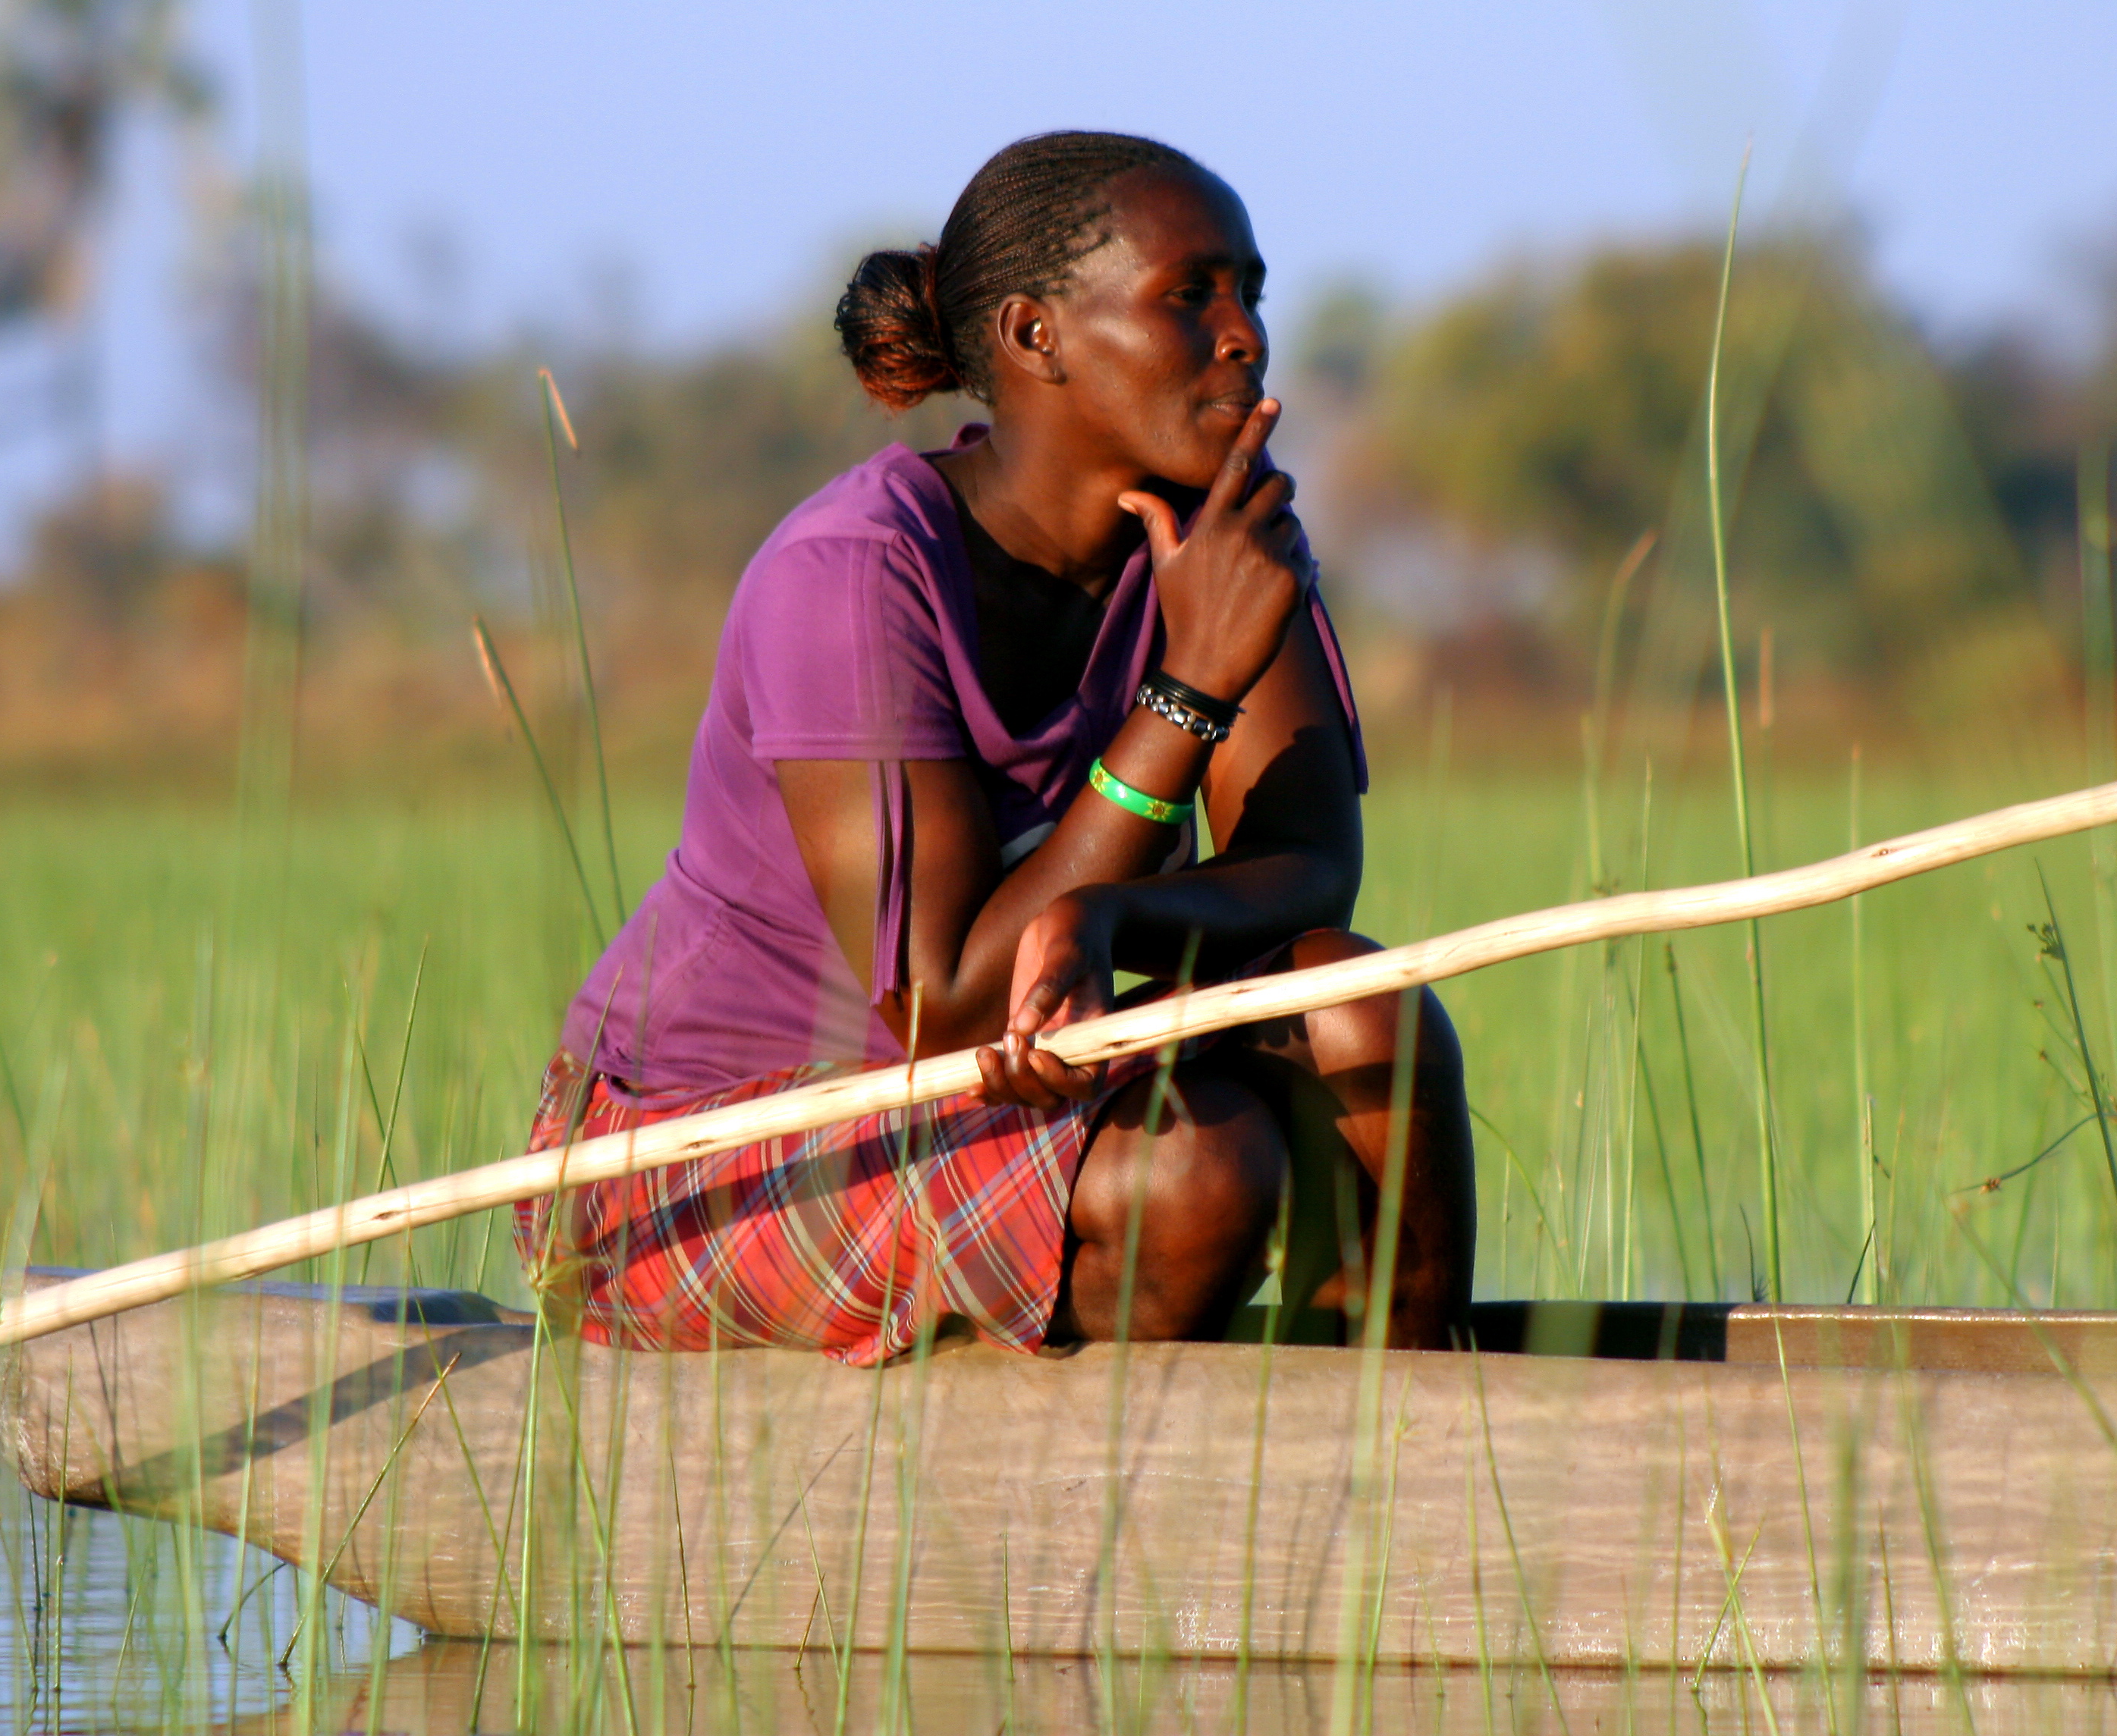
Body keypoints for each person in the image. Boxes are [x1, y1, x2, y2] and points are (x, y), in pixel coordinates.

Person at [517, 130, 1474, 1365]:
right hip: (695, 1161)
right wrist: (1187, 690)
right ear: (1036, 337)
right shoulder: (854, 572)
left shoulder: (1225, 536)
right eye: (1191, 295)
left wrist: (1116, 924)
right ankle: (1079, 1491)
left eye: (1251, 291)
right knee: (1195, 1169)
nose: (1244, 335)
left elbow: (1306, 868)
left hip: (996, 1094)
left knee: (1362, 1012)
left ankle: (1395, 1461)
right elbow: (947, 1005)